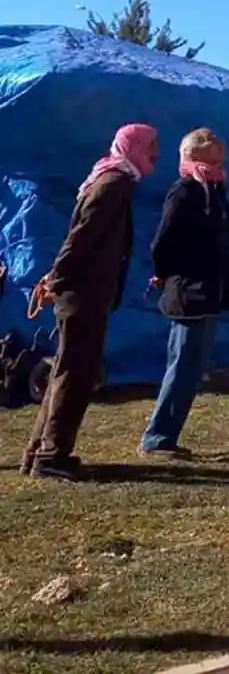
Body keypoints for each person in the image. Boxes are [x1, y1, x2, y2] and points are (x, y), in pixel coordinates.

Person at [21, 123, 160, 479]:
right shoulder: (113, 184)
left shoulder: (114, 180)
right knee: (74, 374)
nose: (156, 154)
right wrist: (58, 280)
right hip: (82, 293)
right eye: (151, 147)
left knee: (67, 371)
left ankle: (40, 453)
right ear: (134, 147)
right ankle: (51, 456)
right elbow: (80, 239)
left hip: (84, 291)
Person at [139, 128, 229, 457]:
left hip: (208, 293)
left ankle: (165, 434)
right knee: (183, 366)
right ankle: (157, 438)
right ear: (195, 157)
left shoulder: (214, 190)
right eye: (215, 157)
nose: (221, 163)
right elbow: (163, 243)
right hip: (190, 295)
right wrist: (172, 276)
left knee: (190, 368)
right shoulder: (185, 192)